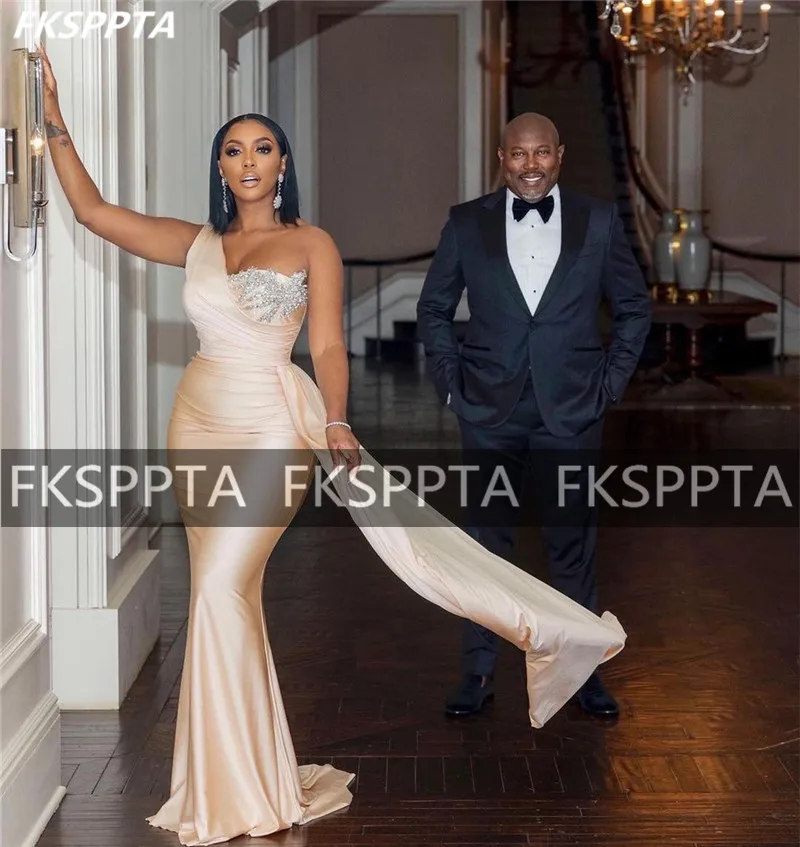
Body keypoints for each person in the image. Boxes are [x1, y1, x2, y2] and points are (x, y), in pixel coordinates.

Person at [41, 49, 627, 847]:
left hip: (272, 425)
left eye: (263, 148)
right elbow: (93, 213)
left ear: (283, 164)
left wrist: (340, 417)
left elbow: (324, 346)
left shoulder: (312, 243)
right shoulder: (195, 241)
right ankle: (240, 776)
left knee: (218, 586)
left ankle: (236, 782)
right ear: (220, 167)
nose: (249, 161)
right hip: (197, 421)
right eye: (233, 150)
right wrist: (53, 122)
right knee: (226, 595)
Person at [417, 112, 652, 720]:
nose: (530, 165)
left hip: (572, 408)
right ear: (502, 158)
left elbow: (634, 308)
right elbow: (434, 308)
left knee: (571, 545)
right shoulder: (466, 222)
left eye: (541, 152)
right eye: (518, 154)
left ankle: (585, 670)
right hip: (487, 409)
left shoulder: (599, 221)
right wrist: (451, 386)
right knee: (483, 546)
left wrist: (609, 386)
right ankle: (478, 670)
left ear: (560, 154)